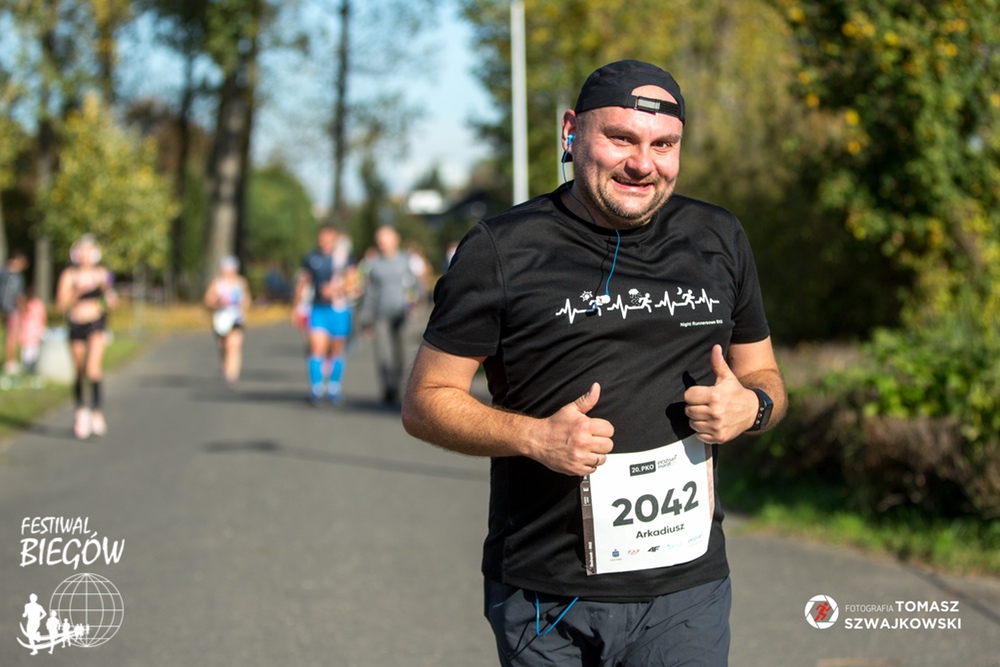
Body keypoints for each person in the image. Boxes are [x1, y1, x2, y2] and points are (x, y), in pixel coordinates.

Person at [402, 60, 787, 666]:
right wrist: (534, 437)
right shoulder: (502, 248)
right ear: (571, 131)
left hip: (687, 589)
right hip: (548, 594)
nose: (643, 163)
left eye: (663, 145)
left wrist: (753, 407)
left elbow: (765, 377)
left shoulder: (718, 236)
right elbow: (425, 401)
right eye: (621, 139)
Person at [56, 234, 118, 439]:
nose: (85, 256)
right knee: (79, 370)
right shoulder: (69, 275)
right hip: (76, 325)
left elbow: (111, 298)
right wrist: (76, 293)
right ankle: (81, 410)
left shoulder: (102, 274)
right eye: (81, 252)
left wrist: (108, 298)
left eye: (88, 252)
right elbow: (60, 305)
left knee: (93, 369)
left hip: (96, 324)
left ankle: (97, 411)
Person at [293, 224, 360, 404]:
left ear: (335, 238)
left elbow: (354, 283)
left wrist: (335, 289)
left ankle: (333, 387)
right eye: (322, 236)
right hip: (318, 309)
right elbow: (303, 281)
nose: (325, 240)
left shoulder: (344, 258)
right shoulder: (311, 257)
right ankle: (316, 388)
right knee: (316, 348)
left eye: (329, 237)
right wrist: (296, 307)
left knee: (336, 350)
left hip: (339, 309)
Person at [358, 226, 416, 405]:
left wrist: (414, 302)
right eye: (379, 239)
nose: (382, 242)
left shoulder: (405, 261)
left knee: (401, 353)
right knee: (383, 353)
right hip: (380, 315)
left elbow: (414, 285)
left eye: (385, 238)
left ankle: (399, 385)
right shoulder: (374, 264)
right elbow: (371, 292)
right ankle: (388, 388)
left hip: (401, 314)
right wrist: (366, 318)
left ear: (396, 239)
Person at [204, 255, 251, 385]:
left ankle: (232, 375)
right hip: (221, 320)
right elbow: (208, 301)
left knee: (234, 344)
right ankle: (225, 366)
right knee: (223, 346)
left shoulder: (240, 282)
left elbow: (247, 299)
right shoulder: (217, 283)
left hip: (236, 318)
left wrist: (243, 302)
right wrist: (218, 302)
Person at [1, 249, 29, 374]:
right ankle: (10, 363)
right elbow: (19, 295)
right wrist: (25, 308)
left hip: (5, 307)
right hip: (12, 308)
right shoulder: (17, 276)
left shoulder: (3, 272)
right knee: (12, 335)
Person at [19, 285, 47, 377]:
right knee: (29, 354)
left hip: (32, 333)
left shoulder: (33, 304)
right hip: (30, 334)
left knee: (31, 354)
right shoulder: (32, 304)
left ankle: (30, 371)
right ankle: (29, 371)